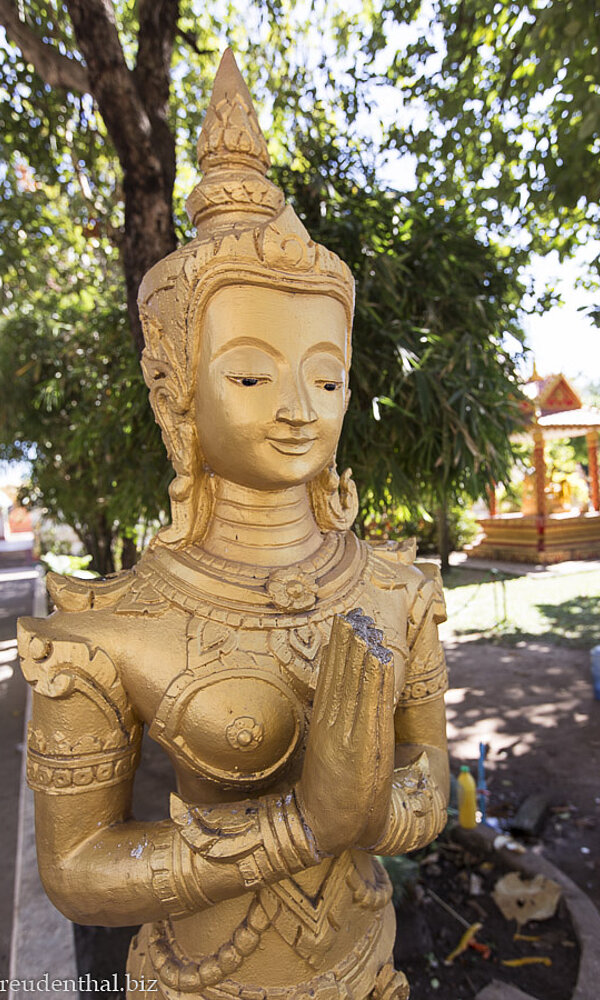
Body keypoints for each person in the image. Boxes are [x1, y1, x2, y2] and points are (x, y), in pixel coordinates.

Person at [19, 50, 449, 1000]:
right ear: (175, 391)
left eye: (326, 378)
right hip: (201, 978)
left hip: (368, 966)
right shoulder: (108, 628)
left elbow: (431, 773)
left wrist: (374, 812)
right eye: (251, 374)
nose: (299, 408)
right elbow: (77, 870)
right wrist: (303, 827)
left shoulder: (395, 589)